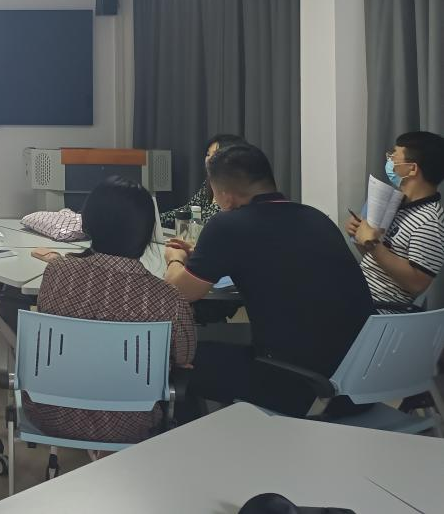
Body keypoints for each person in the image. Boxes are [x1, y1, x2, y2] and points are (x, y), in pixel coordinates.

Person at [164, 144, 373, 417]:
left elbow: (178, 291)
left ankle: (203, 439)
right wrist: (206, 255)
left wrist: (175, 258)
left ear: (225, 197)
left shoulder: (227, 226)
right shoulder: (317, 218)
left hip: (302, 387)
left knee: (175, 358)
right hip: (359, 385)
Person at [25, 178, 196, 444]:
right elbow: (185, 356)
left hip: (49, 414)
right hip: (131, 422)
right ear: (147, 233)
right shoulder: (167, 299)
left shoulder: (57, 273)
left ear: (88, 223)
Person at [348, 131, 444, 307]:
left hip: (380, 309)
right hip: (358, 294)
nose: (390, 162)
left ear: (412, 169)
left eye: (394, 157)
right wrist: (359, 235)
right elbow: (379, 261)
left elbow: (417, 284)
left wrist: (374, 245)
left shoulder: (430, 221)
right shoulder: (397, 204)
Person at [159, 133, 246, 228]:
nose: (208, 160)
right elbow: (189, 210)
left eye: (215, 155)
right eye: (208, 154)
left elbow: (212, 222)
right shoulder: (209, 183)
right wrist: (157, 219)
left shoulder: (238, 190)